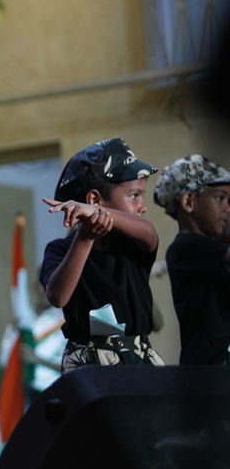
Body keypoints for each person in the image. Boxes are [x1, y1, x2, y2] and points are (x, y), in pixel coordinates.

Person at [40, 138, 163, 371]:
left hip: (138, 358)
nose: (143, 206)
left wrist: (97, 212)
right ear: (94, 198)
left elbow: (149, 233)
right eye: (134, 196)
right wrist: (85, 238)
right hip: (88, 364)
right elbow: (58, 297)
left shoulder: (134, 244)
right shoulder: (59, 250)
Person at [152, 154, 230, 365]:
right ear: (188, 202)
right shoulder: (185, 247)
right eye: (220, 198)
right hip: (207, 374)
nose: (227, 208)